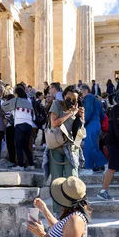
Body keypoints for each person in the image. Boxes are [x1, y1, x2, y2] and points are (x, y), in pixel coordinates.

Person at [47, 85, 85, 214]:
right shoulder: (56, 105)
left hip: (72, 148)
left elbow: (79, 132)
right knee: (57, 180)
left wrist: (81, 118)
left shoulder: (77, 109)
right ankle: (58, 211)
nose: (71, 102)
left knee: (72, 179)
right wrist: (70, 114)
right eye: (69, 98)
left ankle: (73, 209)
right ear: (64, 97)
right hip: (57, 146)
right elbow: (54, 123)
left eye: (74, 99)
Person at [2, 86, 35, 171]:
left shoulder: (16, 100)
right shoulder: (29, 102)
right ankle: (31, 164)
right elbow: (32, 115)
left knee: (18, 145)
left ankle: (21, 165)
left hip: (20, 124)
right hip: (29, 125)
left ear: (16, 94)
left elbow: (4, 106)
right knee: (26, 146)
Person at [80, 84, 107, 175]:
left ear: (85, 91)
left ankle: (105, 163)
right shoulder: (97, 100)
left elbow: (88, 111)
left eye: (81, 92)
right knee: (88, 147)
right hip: (96, 123)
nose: (80, 95)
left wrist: (83, 122)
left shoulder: (88, 97)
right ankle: (89, 167)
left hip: (91, 123)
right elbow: (102, 115)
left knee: (91, 146)